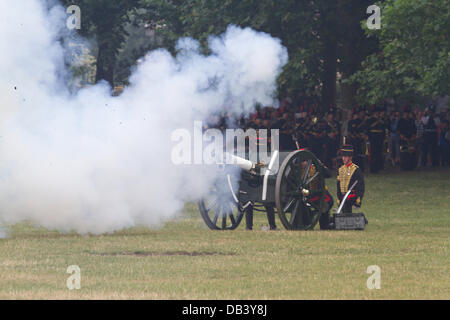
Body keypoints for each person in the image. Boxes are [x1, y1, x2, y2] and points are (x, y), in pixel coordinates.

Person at [336, 145, 365, 214]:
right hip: (343, 196)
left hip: (351, 196)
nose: (343, 158)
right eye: (343, 156)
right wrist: (339, 198)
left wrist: (358, 198)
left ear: (350, 157)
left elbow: (360, 186)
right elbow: (338, 185)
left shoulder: (356, 170)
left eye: (345, 157)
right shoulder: (340, 169)